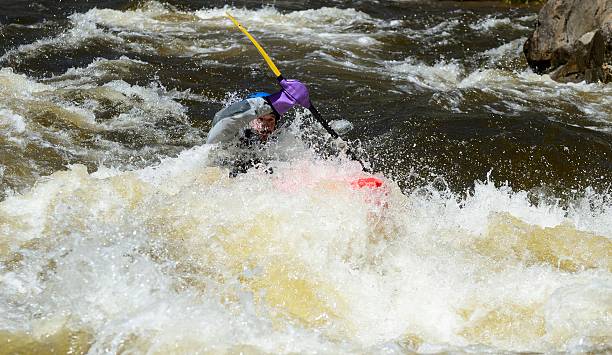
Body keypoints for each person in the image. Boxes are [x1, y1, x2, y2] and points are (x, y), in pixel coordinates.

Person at [206, 79, 310, 176]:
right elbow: (224, 121)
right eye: (260, 119)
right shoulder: (230, 139)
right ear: (248, 120)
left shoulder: (280, 143)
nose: (265, 126)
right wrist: (273, 104)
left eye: (270, 120)